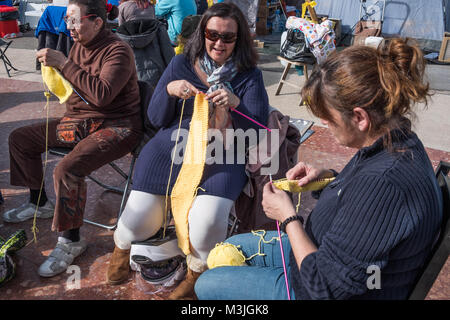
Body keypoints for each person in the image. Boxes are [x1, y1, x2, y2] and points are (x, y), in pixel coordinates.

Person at [194, 38, 443, 300]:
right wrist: (329, 180)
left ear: (359, 117)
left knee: (206, 285)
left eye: (329, 116)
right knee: (226, 249)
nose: (323, 122)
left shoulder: (385, 184)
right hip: (322, 251)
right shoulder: (395, 142)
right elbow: (366, 205)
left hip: (315, 286)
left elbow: (325, 289)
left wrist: (288, 217)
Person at [107, 2, 269, 300]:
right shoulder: (181, 63)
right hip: (171, 149)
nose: (219, 42)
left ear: (239, 40)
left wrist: (236, 104)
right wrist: (168, 90)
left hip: (222, 154)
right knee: (139, 219)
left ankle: (197, 272)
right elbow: (156, 119)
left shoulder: (250, 76)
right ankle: (121, 245)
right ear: (203, 33)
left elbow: (257, 132)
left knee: (206, 222)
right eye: (212, 34)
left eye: (228, 37)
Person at [3, 0, 143, 277]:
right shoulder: (79, 43)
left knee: (68, 168)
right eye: (67, 20)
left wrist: (64, 64)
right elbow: (74, 89)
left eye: (74, 20)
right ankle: (39, 202)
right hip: (78, 123)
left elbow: (102, 95)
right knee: (21, 139)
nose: (68, 26)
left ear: (97, 22)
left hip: (117, 126)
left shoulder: (118, 51)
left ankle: (71, 240)